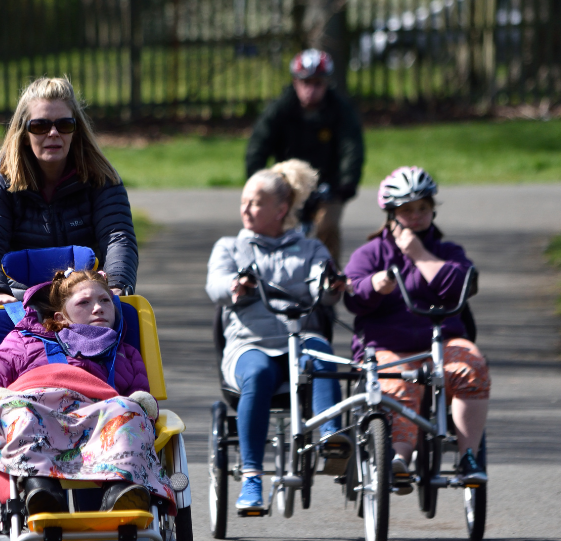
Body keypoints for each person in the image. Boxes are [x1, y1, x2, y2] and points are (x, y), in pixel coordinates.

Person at [0, 269, 174, 529]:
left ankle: (121, 492)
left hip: (97, 422)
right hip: (39, 409)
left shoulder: (125, 352)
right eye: (84, 302)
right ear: (61, 316)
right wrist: (1, 398)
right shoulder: (23, 342)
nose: (98, 308)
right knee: (19, 411)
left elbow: (142, 400)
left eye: (105, 300)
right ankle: (40, 490)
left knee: (129, 409)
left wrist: (141, 403)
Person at [205, 159, 348, 511]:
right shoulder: (230, 247)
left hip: (300, 339)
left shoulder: (310, 248)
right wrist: (235, 285)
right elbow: (215, 285)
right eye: (244, 201)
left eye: (255, 202)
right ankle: (252, 478)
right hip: (249, 344)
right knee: (257, 374)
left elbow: (324, 289)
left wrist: (331, 285)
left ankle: (331, 440)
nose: (246, 208)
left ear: (281, 209)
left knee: (323, 353)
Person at [343, 166, 489, 491]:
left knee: (472, 366)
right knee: (399, 388)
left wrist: (419, 254)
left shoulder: (447, 251)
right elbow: (352, 295)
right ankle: (398, 460)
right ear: (391, 214)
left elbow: (459, 285)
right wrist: (373, 285)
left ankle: (468, 456)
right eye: (407, 210)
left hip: (440, 343)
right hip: (386, 347)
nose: (417, 216)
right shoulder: (371, 253)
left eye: (423, 208)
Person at [0, 77, 138, 306]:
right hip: (21, 304)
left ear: (75, 131)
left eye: (64, 125)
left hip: (86, 303)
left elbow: (118, 238)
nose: (53, 133)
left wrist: (116, 284)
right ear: (24, 134)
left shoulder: (102, 179)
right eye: (40, 126)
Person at [244, 49, 365, 264]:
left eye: (318, 83)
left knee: (327, 225)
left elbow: (352, 147)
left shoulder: (339, 110)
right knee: (276, 226)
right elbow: (258, 145)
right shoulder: (280, 109)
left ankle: (328, 277)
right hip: (287, 183)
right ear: (295, 82)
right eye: (305, 82)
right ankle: (275, 272)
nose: (311, 89)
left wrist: (347, 182)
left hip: (329, 184)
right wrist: (258, 178)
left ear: (327, 83)